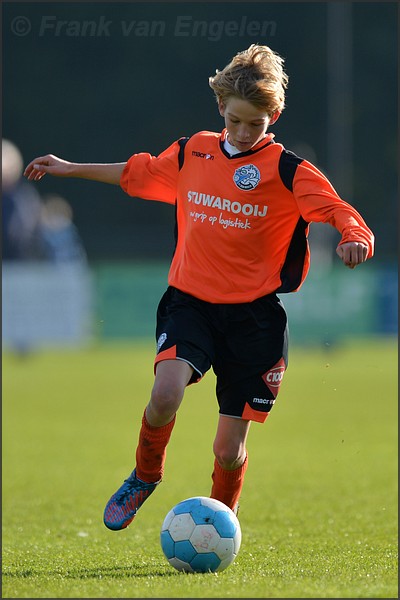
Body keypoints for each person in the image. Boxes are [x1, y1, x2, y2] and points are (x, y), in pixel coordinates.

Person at [24, 44, 374, 531]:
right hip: (190, 302)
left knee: (227, 450)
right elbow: (135, 174)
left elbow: (337, 209)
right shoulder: (193, 151)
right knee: (165, 392)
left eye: (256, 123)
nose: (244, 132)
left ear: (274, 116)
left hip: (254, 319)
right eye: (235, 121)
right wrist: (69, 167)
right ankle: (145, 474)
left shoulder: (288, 169)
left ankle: (220, 523)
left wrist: (356, 236)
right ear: (221, 111)